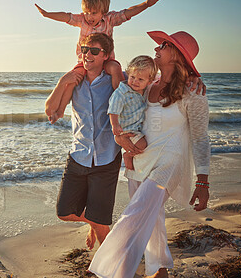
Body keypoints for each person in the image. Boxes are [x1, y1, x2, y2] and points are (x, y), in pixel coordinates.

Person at [89, 31, 210, 278]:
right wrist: (119, 136)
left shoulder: (193, 92)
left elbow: (200, 137)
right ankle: (159, 270)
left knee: (137, 212)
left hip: (170, 163)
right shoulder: (147, 84)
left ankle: (110, 271)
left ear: (177, 55)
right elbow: (118, 86)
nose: (157, 48)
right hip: (141, 160)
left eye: (164, 45)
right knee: (151, 217)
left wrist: (203, 180)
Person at [36, 0, 162, 123]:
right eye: (86, 12)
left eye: (94, 13)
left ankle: (122, 102)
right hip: (84, 62)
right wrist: (47, 14)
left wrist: (146, 4)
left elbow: (127, 13)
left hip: (107, 60)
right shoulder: (82, 20)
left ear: (104, 11)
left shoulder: (110, 19)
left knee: (114, 68)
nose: (89, 17)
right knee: (73, 79)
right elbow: (67, 16)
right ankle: (60, 111)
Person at [45, 33, 121, 250]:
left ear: (105, 55)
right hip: (78, 155)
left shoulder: (114, 80)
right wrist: (62, 81)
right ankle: (94, 222)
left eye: (94, 51)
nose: (87, 54)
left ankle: (112, 266)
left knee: (101, 222)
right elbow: (51, 111)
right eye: (85, 49)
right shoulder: (74, 80)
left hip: (106, 158)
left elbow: (132, 97)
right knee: (64, 212)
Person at [108, 55, 158, 170]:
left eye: (140, 79)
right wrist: (114, 125)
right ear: (128, 74)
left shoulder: (144, 90)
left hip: (136, 127)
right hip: (126, 129)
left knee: (144, 146)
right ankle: (127, 157)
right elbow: (113, 110)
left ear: (149, 81)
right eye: (132, 77)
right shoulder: (122, 93)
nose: (135, 81)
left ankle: (132, 165)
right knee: (142, 146)